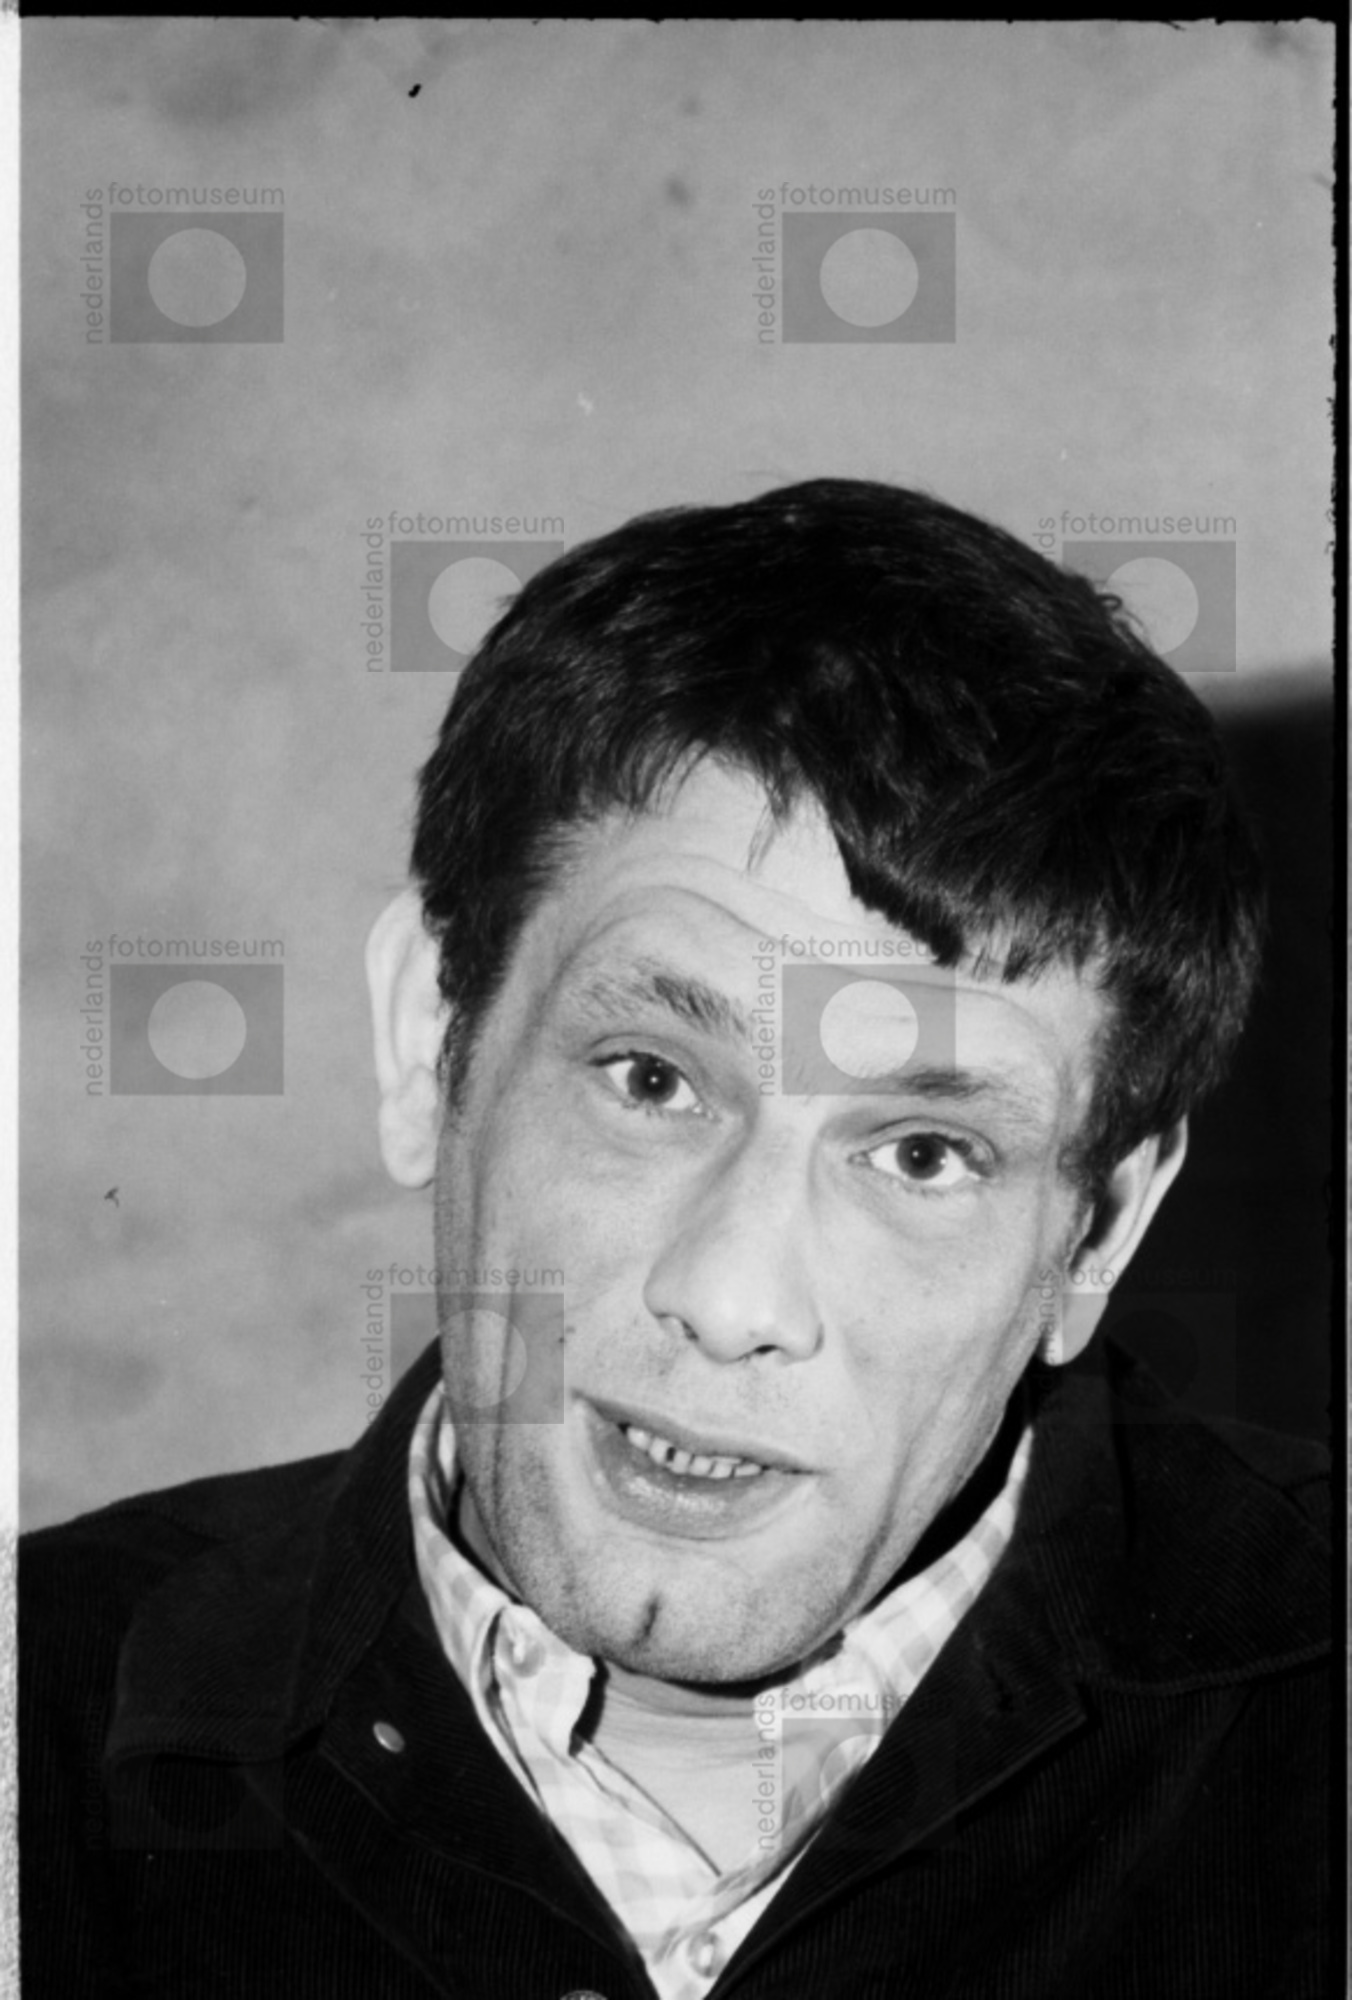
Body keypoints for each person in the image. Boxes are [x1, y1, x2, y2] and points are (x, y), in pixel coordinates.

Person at [21, 480, 1329, 1997]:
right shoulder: (34, 1716)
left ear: (1099, 1232)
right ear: (429, 1038)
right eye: (650, 1079)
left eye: (923, 1154)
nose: (731, 1297)